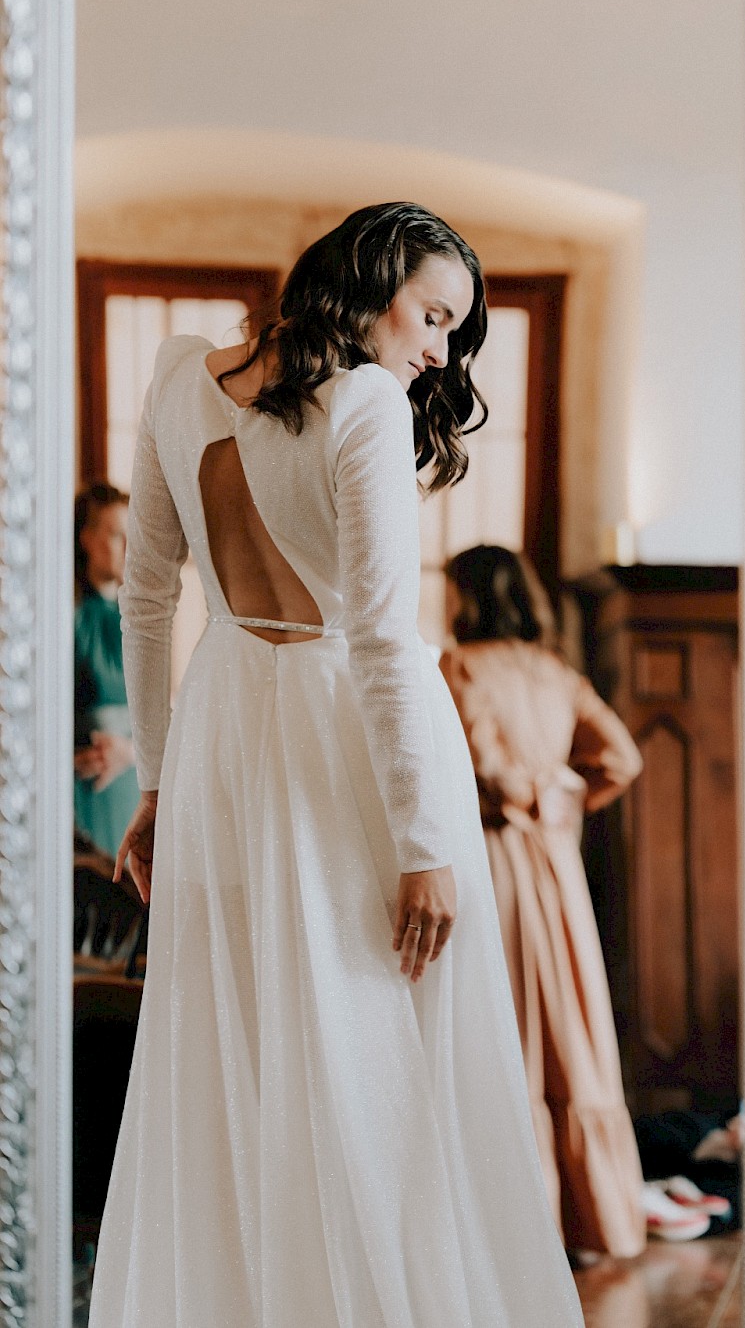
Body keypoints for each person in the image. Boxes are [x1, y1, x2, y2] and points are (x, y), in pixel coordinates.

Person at [89, 204, 584, 1327]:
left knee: (253, 1033)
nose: (442, 352)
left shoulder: (178, 375)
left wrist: (160, 784)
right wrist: (423, 846)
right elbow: (374, 636)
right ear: (368, 283)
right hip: (344, 738)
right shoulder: (361, 399)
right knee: (373, 1043)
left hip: (223, 724)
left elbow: (150, 595)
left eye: (458, 333)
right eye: (433, 315)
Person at [439, 545, 647, 1259]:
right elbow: (621, 757)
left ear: (466, 597)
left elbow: (490, 774)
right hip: (558, 866)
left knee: (514, 1027)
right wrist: (564, 797)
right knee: (571, 1028)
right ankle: (592, 1216)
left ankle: (515, 1218)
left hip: (496, 859)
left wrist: (526, 793)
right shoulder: (559, 673)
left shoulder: (461, 666)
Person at [74, 483, 140, 858]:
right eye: (116, 535)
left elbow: (168, 712)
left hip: (132, 779)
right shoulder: (69, 620)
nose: (127, 548)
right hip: (84, 788)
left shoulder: (136, 620)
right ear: (87, 538)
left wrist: (130, 753)